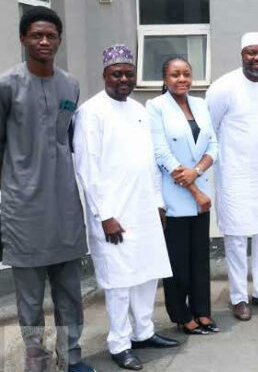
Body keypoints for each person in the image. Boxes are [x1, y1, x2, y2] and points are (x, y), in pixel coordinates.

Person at [73, 44, 178, 371]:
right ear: (105, 75)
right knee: (119, 282)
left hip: (144, 208)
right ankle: (119, 343)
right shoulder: (90, 112)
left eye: (128, 74)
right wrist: (104, 215)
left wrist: (158, 203)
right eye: (116, 74)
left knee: (146, 274)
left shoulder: (139, 109)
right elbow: (87, 168)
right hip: (113, 213)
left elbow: (150, 162)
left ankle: (143, 332)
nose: (123, 79)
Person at [0, 7, 94, 372]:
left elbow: (66, 139)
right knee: (30, 299)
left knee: (70, 293)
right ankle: (36, 360)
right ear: (23, 38)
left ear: (59, 40)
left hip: (65, 207)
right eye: (36, 35)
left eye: (50, 36)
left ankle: (70, 357)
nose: (44, 41)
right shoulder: (7, 85)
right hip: (23, 209)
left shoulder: (70, 86)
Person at [206, 32, 258, 321]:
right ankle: (239, 296)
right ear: (242, 54)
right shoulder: (223, 87)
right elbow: (210, 130)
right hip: (235, 173)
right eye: (251, 53)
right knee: (237, 237)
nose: (257, 58)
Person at [146, 57, 219, 334]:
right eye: (175, 75)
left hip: (200, 190)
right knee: (177, 260)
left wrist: (197, 171)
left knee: (199, 258)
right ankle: (181, 315)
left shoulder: (200, 104)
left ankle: (202, 311)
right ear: (165, 79)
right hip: (175, 193)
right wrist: (194, 189)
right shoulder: (156, 106)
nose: (181, 79)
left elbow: (213, 145)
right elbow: (161, 152)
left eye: (186, 74)